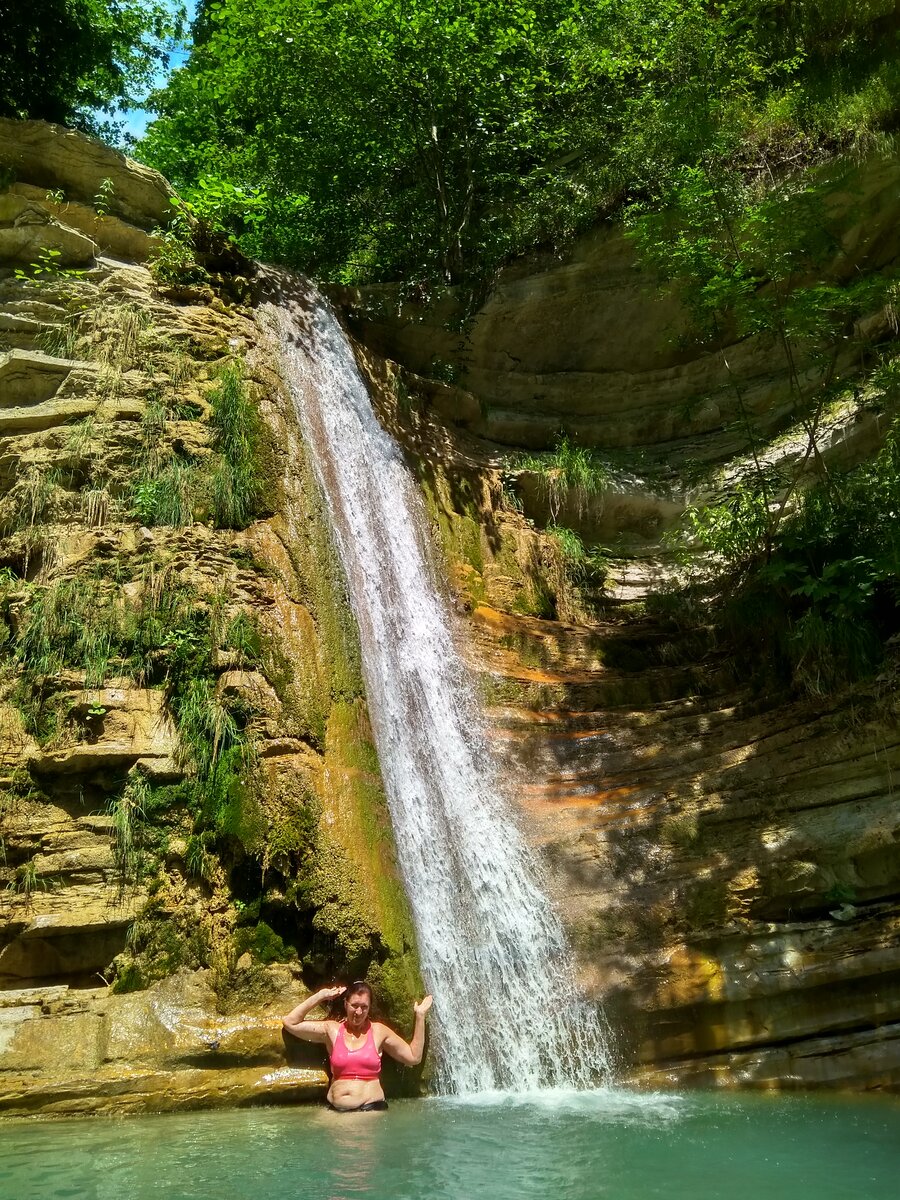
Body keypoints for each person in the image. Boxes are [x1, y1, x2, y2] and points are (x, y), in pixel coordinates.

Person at [282, 980, 433, 1112]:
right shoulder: (332, 1030)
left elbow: (414, 1057)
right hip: (335, 1109)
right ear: (345, 1004)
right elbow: (290, 1022)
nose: (359, 1012)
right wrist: (322, 996)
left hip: (369, 1108)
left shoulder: (378, 1031)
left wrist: (420, 1016)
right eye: (354, 1006)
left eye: (364, 1007)